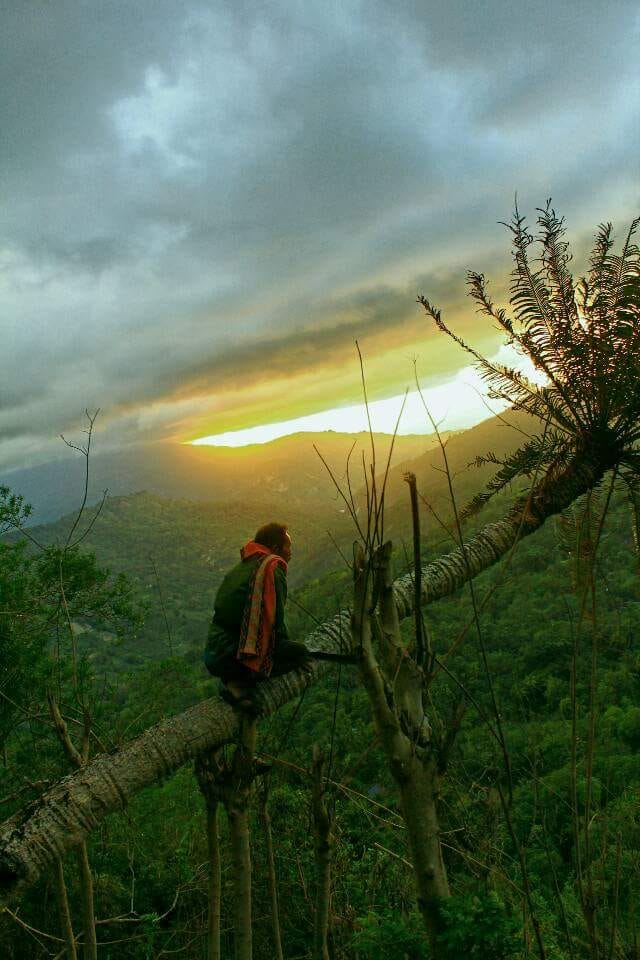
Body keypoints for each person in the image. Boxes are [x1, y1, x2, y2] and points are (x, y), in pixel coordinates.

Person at [204, 522, 313, 710]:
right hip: (233, 656)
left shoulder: (243, 565)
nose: (291, 552)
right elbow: (275, 623)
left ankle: (234, 682)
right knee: (300, 654)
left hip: (214, 654)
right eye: (288, 547)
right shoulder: (272, 568)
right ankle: (245, 680)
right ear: (276, 548)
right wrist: (286, 649)